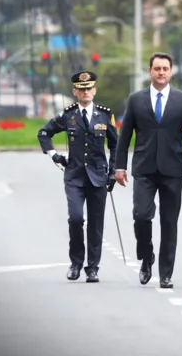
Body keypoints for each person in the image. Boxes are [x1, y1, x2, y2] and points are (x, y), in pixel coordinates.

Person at [114, 52, 182, 289]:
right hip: (143, 169)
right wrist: (119, 166)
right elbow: (124, 137)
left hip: (172, 170)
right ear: (150, 71)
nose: (161, 72)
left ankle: (166, 273)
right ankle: (146, 255)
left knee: (169, 222)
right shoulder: (135, 99)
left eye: (165, 68)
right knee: (141, 216)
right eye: (157, 68)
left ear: (171, 71)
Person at [37, 70, 118, 283]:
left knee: (95, 223)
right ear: (75, 91)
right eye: (81, 89)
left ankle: (92, 268)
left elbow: (115, 145)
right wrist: (53, 154)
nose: (86, 92)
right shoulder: (68, 115)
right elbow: (44, 133)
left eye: (89, 88)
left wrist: (113, 171)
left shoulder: (104, 115)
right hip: (74, 176)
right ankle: (76, 263)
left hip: (98, 177)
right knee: (75, 218)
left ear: (95, 90)